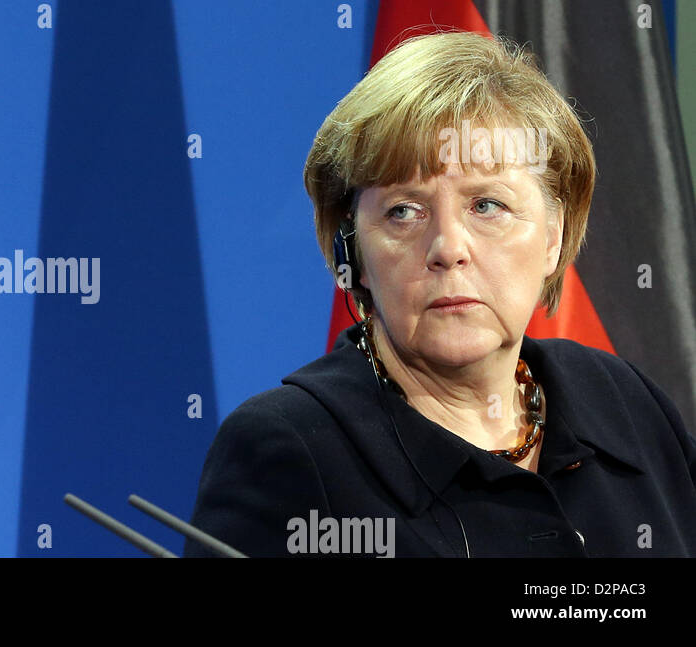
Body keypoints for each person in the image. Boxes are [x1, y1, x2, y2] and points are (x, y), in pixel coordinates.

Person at [186, 32, 696, 557]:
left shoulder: (624, 404)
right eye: (404, 211)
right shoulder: (290, 452)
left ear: (552, 237)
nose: (448, 248)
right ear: (353, 254)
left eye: (487, 205)